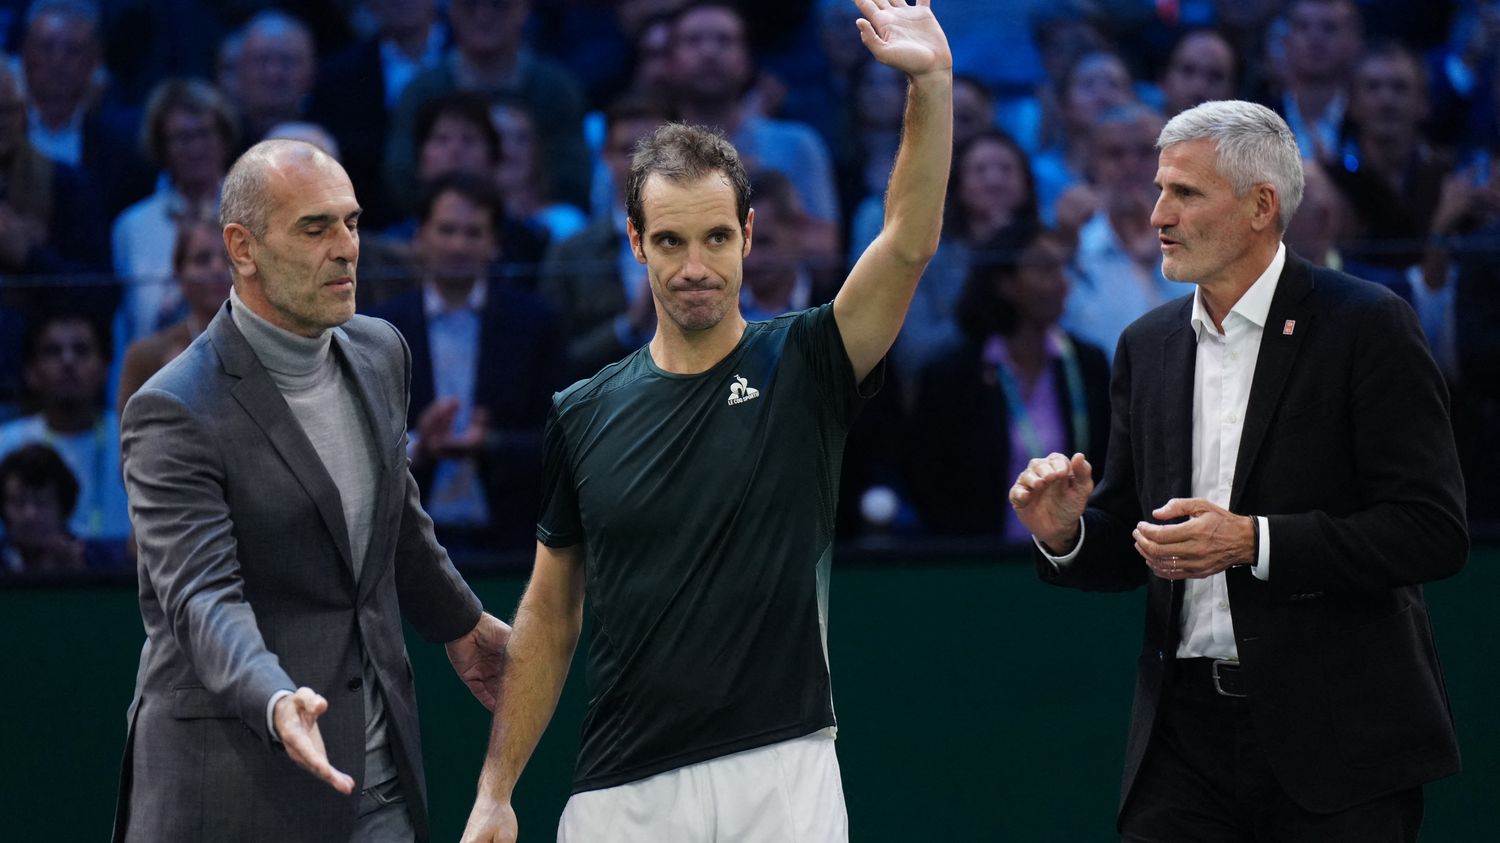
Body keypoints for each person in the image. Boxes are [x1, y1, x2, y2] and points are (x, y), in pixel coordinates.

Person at [459, 1, 952, 840]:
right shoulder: (579, 415)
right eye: (673, 242)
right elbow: (548, 613)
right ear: (635, 240)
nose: (696, 267)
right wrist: (495, 790)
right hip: (623, 792)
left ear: (749, 234)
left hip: (784, 773)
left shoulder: (808, 361)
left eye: (717, 238)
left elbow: (906, 241)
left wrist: (931, 84)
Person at [1010, 100, 1467, 840]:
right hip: (1181, 738)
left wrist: (1253, 543)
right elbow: (1136, 541)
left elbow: (1432, 531)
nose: (1158, 213)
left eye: (1185, 193)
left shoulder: (1366, 324)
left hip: (1338, 738)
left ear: (1261, 206)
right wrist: (1065, 535)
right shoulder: (1147, 346)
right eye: (1159, 189)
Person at [112, 139, 510, 843]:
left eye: (352, 222)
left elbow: (398, 517)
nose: (346, 247)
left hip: (376, 781)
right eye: (315, 227)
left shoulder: (381, 350)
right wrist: (273, 697)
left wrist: (463, 624)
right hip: (230, 788)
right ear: (242, 248)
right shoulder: (172, 409)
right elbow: (201, 597)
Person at [368, 173, 564, 555]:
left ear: (494, 244)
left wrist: (489, 444)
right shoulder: (381, 328)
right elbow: (361, 448)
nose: (458, 245)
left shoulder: (535, 323)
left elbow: (560, 442)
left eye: (473, 233)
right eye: (446, 230)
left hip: (512, 541)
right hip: (405, 542)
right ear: (419, 238)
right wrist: (419, 445)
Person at [907, 226, 1109, 540]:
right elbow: (929, 482)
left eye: (1062, 267)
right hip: (981, 565)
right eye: (1045, 268)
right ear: (1004, 282)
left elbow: (1108, 466)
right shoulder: (954, 376)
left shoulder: (1087, 365)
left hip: (1073, 558)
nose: (1061, 282)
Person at [0, 311, 130, 545]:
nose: (68, 361)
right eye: (52, 351)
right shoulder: (6, 446)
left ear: (105, 368)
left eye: (81, 350)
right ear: (31, 372)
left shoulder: (134, 438)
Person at [115, 220, 232, 417]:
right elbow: (131, 440)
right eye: (202, 259)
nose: (218, 269)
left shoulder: (266, 347)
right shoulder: (145, 356)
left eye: (228, 258)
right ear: (179, 275)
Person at [0, 442, 125, 574]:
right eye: (19, 502)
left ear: (63, 506)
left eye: (41, 502)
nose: (30, 514)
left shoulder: (102, 561)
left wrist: (78, 574)